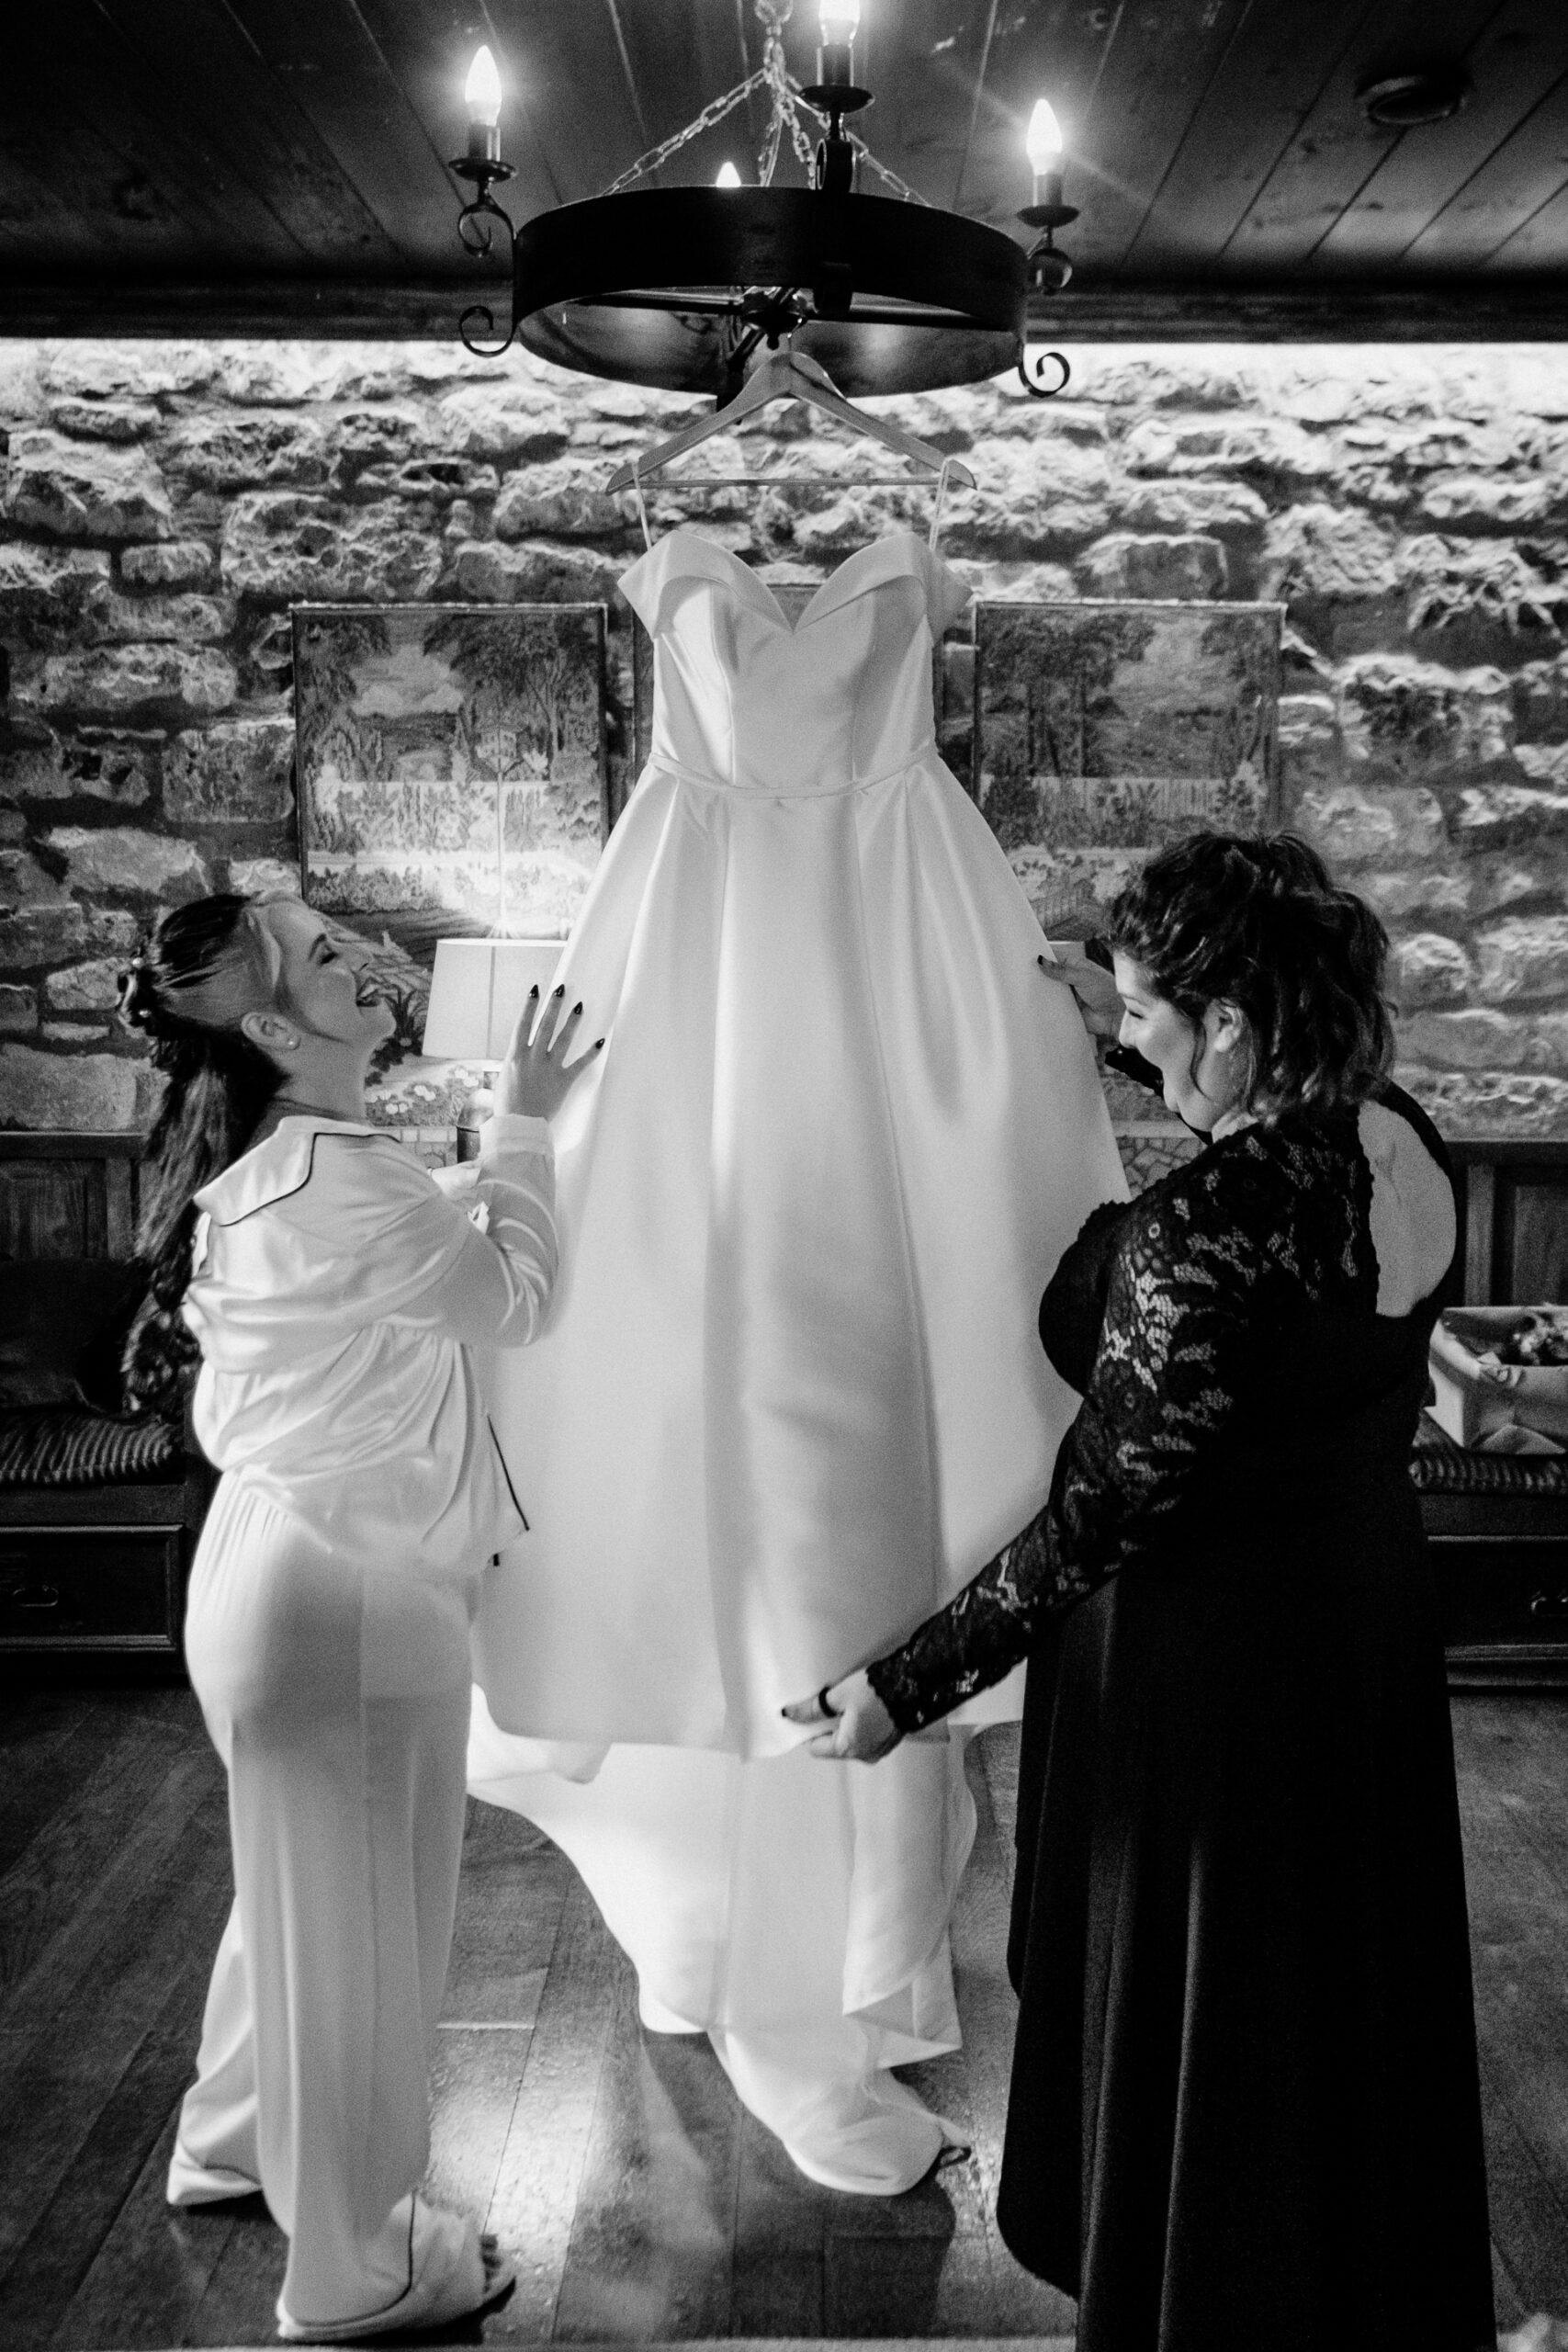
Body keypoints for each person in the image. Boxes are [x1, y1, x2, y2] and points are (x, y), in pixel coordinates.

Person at [466, 517, 1127, 2190]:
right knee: (737, 1475)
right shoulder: (674, 542)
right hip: (703, 978)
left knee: (883, 1458)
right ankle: (766, 1965)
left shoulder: (887, 552)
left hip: (901, 958)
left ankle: (854, 1950)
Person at [790, 832, 1495, 2352]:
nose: (1136, 1043)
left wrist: (895, 1688)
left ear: (1231, 1019)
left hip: (1208, 1680)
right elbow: (1273, 1243)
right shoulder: (1405, 1144)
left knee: (1215, 2007)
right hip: (1361, 1637)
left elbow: (1100, 1517)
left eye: (1148, 1017)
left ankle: (1207, 2303)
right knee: (1333, 1985)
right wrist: (1106, 1030)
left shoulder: (1193, 1241)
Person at [120, 893, 597, 2342]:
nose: (361, 962)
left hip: (267, 1573)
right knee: (367, 1946)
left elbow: (379, 1284)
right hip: (350, 1598)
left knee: (294, 1908)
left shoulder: (275, 1166)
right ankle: (353, 2268)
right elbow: (518, 1305)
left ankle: (226, 2145)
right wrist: (524, 1128)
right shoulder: (347, 1179)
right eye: (323, 957)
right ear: (271, 1027)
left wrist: (465, 1176)